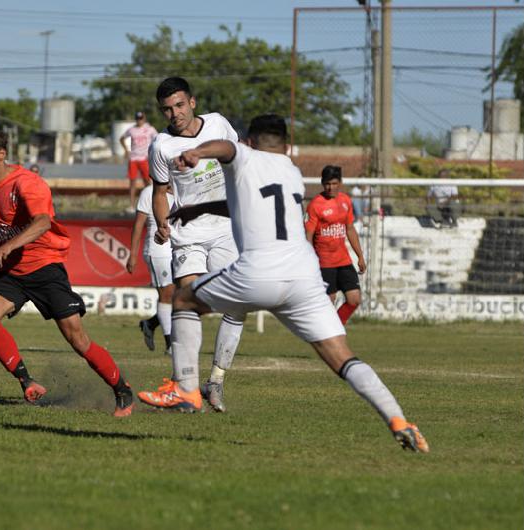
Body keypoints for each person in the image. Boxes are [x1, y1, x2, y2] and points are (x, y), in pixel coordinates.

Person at [139, 114, 429, 453]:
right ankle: (399, 420)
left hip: (259, 272)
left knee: (184, 301)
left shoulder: (244, 154)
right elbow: (253, 204)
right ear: (287, 145)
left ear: (249, 141)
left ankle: (186, 389)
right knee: (342, 358)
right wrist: (199, 209)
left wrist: (197, 153)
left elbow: (225, 147)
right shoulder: (291, 172)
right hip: (304, 277)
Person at [0, 126, 134, 417]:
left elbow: (43, 222)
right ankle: (27, 381)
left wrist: (8, 246)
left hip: (45, 266)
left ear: (1, 154)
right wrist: (6, 250)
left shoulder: (28, 184)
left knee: (77, 339)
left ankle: (122, 390)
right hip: (13, 272)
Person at [144, 77, 245, 413]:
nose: (175, 114)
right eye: (167, 109)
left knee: (236, 303)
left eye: (179, 105)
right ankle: (186, 389)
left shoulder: (218, 124)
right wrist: (161, 222)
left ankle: (215, 380)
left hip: (226, 229)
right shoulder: (161, 146)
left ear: (193, 102)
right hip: (187, 233)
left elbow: (241, 159)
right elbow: (160, 193)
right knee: (186, 299)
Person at [305, 165, 366, 326]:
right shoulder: (315, 205)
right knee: (328, 302)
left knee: (354, 299)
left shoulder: (345, 201)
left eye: (333, 183)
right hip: (325, 262)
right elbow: (308, 235)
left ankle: (335, 328)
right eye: (327, 184)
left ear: (340, 183)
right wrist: (310, 259)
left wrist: (360, 256)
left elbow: (350, 229)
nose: (330, 187)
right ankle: (324, 333)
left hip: (344, 261)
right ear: (322, 183)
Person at [126, 182, 175, 355]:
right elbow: (139, 224)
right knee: (167, 295)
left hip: (178, 250)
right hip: (158, 251)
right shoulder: (150, 192)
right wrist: (132, 255)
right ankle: (170, 345)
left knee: (180, 297)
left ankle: (151, 324)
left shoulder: (183, 189)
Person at [120, 111, 158, 211]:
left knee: (147, 182)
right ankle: (132, 205)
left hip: (144, 158)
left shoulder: (150, 129)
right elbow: (122, 138)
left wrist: (153, 153)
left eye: (141, 118)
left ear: (144, 118)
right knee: (132, 182)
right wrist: (126, 149)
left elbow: (158, 139)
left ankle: (151, 204)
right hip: (133, 158)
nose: (139, 120)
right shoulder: (132, 129)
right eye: (137, 118)